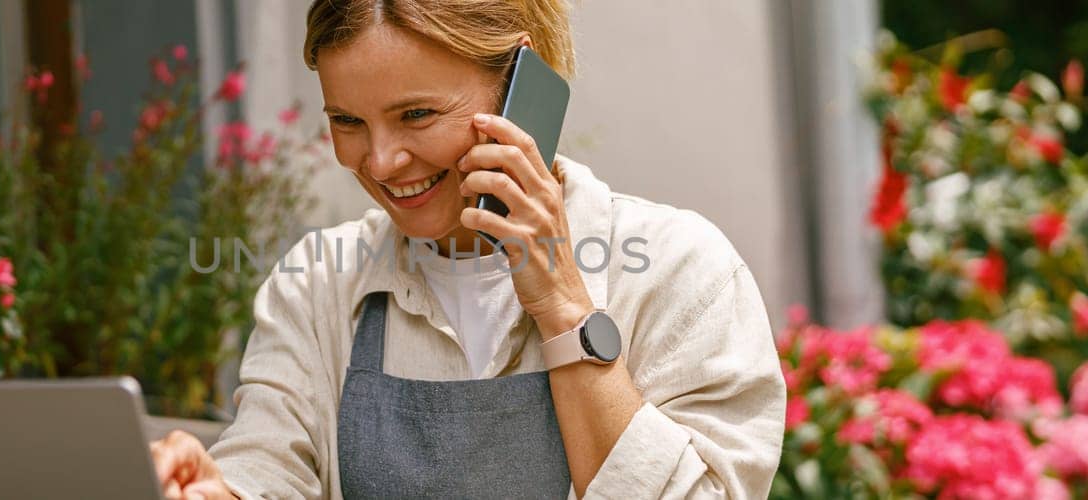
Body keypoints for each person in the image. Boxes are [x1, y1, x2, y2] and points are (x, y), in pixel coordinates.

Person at [151, 1, 785, 498]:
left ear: (520, 83)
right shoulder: (316, 285)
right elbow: (267, 470)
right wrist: (214, 491)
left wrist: (563, 306)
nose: (380, 161)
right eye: (347, 122)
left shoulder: (681, 270)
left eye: (417, 114)